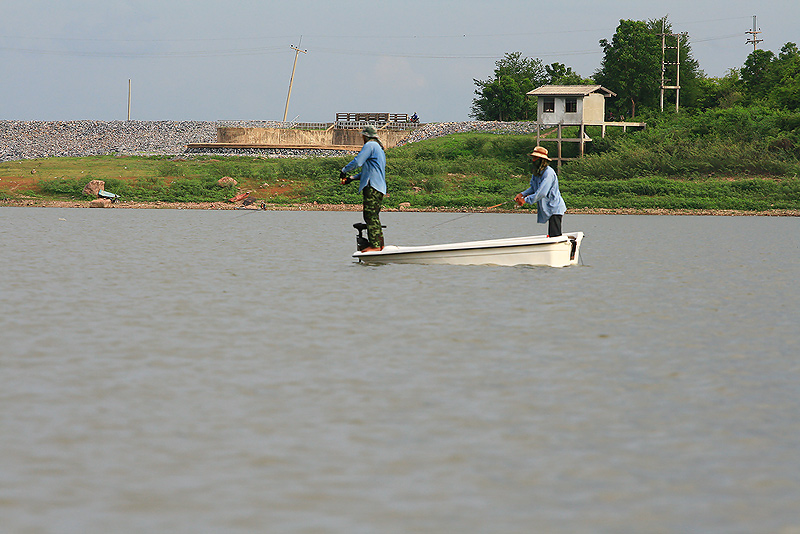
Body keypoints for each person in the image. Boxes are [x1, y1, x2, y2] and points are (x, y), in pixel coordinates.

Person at [340, 125, 387, 251]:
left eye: (363, 136)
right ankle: (380, 244)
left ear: (366, 136)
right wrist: (352, 178)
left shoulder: (370, 145)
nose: (362, 138)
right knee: (373, 216)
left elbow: (358, 162)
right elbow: (368, 172)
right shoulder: (379, 148)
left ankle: (375, 246)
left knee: (370, 216)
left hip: (372, 187)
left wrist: (344, 170)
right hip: (379, 187)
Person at [514, 146, 566, 237]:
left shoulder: (548, 173)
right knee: (552, 234)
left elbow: (541, 193)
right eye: (533, 158)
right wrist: (522, 194)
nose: (533, 160)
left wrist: (525, 200)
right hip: (548, 207)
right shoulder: (537, 172)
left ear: (541, 160)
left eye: (535, 158)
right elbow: (533, 188)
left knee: (555, 235)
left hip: (554, 208)